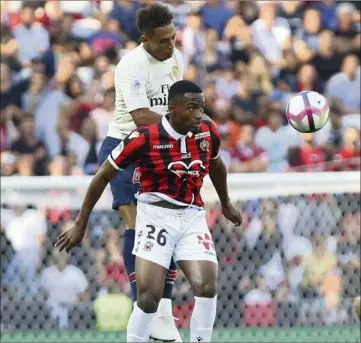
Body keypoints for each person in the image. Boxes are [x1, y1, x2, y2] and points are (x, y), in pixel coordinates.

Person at [55, 80, 243, 342]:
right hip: (155, 217)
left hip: (192, 217)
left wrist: (226, 203)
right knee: (148, 298)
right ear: (172, 107)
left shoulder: (207, 131)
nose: (199, 115)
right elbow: (101, 177)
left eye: (201, 108)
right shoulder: (144, 138)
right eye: (192, 108)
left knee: (207, 287)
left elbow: (216, 165)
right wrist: (80, 224)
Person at [97, 3, 185, 341]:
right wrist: (184, 123)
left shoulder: (178, 58)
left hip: (162, 150)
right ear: (145, 38)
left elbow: (179, 104)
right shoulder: (130, 66)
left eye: (174, 37)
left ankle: (162, 313)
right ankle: (145, 311)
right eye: (163, 40)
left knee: (169, 224)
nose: (171, 45)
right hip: (126, 148)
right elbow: (140, 117)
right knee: (137, 224)